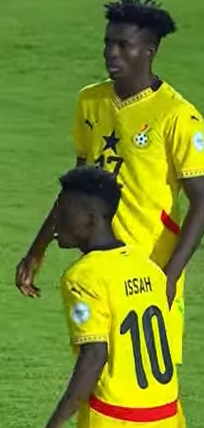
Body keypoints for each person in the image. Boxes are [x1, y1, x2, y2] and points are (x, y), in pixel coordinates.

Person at [16, 0, 204, 372]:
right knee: (97, 369)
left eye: (123, 45)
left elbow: (202, 202)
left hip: (149, 268)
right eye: (107, 43)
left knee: (147, 377)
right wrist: (38, 248)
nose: (110, 53)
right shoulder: (91, 101)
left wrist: (169, 277)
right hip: (97, 264)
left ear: (149, 50)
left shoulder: (177, 116)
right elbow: (75, 188)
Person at [45, 166, 182, 428]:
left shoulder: (83, 277)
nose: (56, 221)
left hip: (115, 417)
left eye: (63, 212)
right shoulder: (148, 268)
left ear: (90, 218)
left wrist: (54, 423)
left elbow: (94, 356)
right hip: (167, 416)